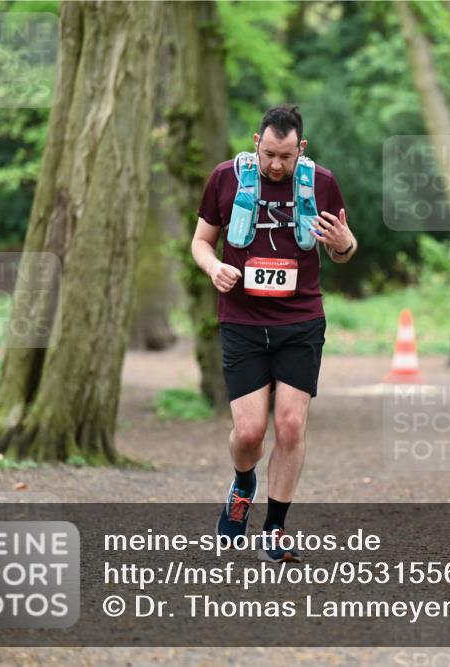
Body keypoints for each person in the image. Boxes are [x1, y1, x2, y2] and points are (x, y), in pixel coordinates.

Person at [192, 105, 356, 563]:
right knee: (249, 433)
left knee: (290, 425)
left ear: (301, 148)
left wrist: (343, 244)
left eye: (285, 156)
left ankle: (275, 528)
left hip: (300, 320)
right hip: (242, 321)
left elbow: (344, 248)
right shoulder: (225, 178)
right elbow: (200, 242)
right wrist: (214, 268)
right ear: (256, 143)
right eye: (268, 154)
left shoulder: (321, 183)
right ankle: (243, 483)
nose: (276, 165)